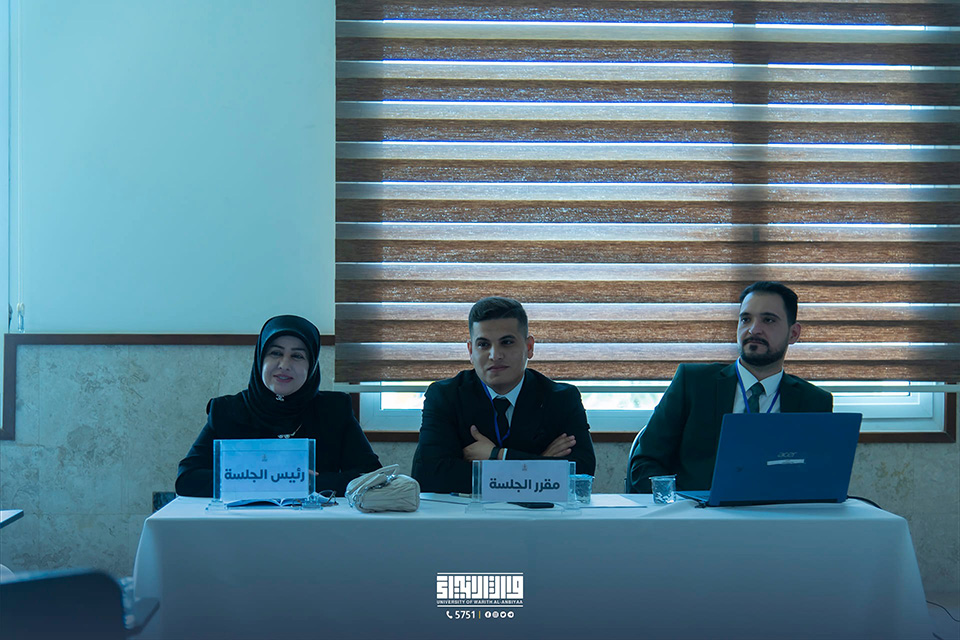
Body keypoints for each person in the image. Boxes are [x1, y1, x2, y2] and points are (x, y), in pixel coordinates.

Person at [628, 281, 833, 493]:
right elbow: (645, 463)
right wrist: (682, 503)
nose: (753, 329)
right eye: (746, 319)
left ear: (793, 334)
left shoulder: (815, 401)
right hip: (697, 511)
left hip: (777, 511)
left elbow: (820, 477)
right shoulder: (694, 383)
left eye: (768, 320)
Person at [176, 315, 381, 497]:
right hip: (243, 524)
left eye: (297, 356)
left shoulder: (334, 409)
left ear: (311, 365)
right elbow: (188, 479)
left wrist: (305, 482)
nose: (284, 365)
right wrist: (268, 477)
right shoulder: (227, 410)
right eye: (275, 353)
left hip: (315, 523)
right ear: (260, 359)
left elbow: (372, 477)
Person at [411, 297, 596, 494]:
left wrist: (499, 456)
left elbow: (581, 475)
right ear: (471, 351)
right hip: (464, 514)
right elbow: (430, 476)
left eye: (506, 342)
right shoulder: (445, 396)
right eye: (483, 344)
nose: (495, 355)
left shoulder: (562, 398)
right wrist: (541, 465)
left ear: (529, 347)